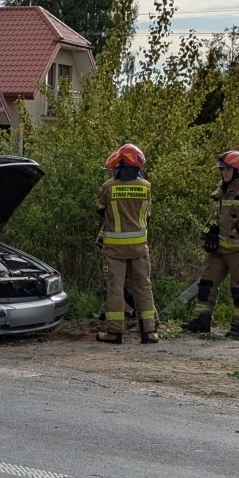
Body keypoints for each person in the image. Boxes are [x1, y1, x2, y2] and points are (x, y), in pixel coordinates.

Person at [182, 150, 239, 340]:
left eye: (227, 169)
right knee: (207, 284)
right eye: (222, 169)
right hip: (219, 249)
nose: (223, 172)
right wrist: (210, 233)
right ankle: (201, 321)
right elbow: (216, 214)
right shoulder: (222, 188)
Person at [95, 143, 158, 345]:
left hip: (114, 249)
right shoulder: (146, 187)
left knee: (115, 288)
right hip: (139, 247)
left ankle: (114, 332)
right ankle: (149, 332)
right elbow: (147, 216)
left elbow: (100, 210)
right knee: (143, 286)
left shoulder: (108, 187)